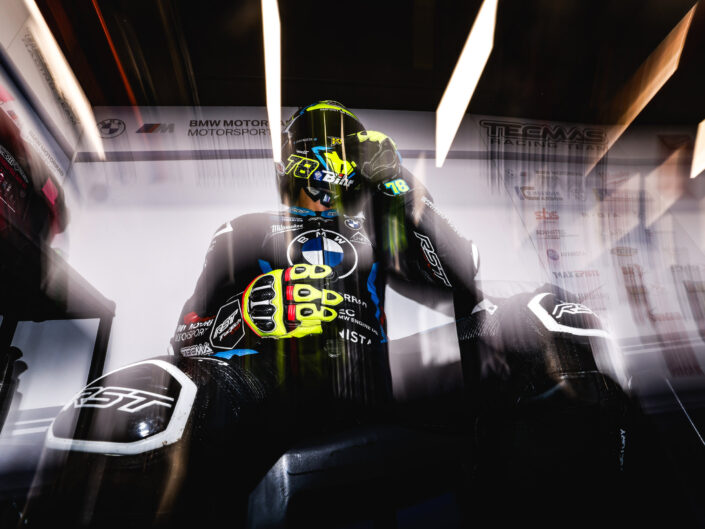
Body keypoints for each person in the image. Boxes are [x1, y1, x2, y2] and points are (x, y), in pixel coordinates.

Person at [26, 101, 633, 528]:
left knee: (548, 316)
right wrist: (245, 320)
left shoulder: (378, 232)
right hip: (262, 377)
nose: (327, 174)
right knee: (135, 401)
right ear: (288, 168)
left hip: (366, 377)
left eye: (341, 157)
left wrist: (401, 188)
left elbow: (464, 281)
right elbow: (186, 341)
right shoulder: (244, 230)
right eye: (314, 157)